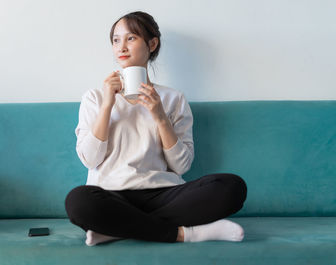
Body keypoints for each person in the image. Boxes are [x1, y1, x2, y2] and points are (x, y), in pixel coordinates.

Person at [65, 11, 247, 246]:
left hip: (163, 194)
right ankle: (185, 234)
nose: (121, 47)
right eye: (116, 40)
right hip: (110, 194)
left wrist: (160, 117)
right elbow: (90, 159)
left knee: (232, 187)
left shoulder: (173, 99)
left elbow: (181, 165)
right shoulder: (95, 98)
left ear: (152, 44)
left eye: (131, 38)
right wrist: (108, 105)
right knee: (78, 201)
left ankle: (118, 229)